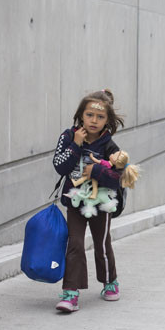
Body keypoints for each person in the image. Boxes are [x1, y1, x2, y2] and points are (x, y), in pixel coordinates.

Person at [52, 89, 125, 312]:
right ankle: (71, 292)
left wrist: (94, 171)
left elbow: (117, 178)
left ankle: (109, 281)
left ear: (108, 120)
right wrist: (75, 144)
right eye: (90, 115)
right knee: (74, 243)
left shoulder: (110, 146)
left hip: (101, 204)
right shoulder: (68, 136)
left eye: (100, 117)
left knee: (102, 243)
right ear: (81, 115)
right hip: (75, 203)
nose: (94, 121)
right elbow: (60, 166)